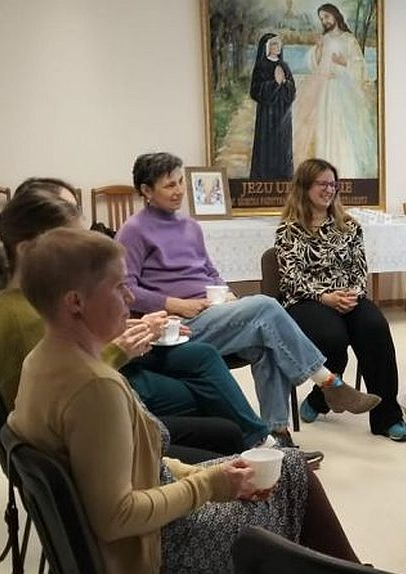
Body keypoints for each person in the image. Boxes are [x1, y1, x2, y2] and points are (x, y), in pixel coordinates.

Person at [7, 227, 362, 574]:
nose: (130, 298)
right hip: (156, 544)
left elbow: (140, 467)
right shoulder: (96, 387)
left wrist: (204, 475)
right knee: (296, 479)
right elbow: (117, 517)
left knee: (288, 467)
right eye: (118, 287)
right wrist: (208, 485)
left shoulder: (39, 361)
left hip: (152, 510)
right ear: (75, 302)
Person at [0, 178, 273, 462]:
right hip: (94, 431)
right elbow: (66, 389)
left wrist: (130, 330)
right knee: (207, 398)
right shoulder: (24, 317)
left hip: (99, 409)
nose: (82, 250)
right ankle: (254, 444)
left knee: (202, 361)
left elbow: (76, 349)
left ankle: (257, 441)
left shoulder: (36, 300)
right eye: (70, 240)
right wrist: (121, 348)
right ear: (27, 249)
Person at [116, 152, 380, 442]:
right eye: (169, 185)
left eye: (180, 182)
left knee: (267, 345)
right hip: (173, 327)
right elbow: (126, 290)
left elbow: (209, 272)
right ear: (146, 190)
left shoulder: (190, 226)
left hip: (209, 314)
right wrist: (176, 304)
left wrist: (227, 293)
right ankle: (328, 382)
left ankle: (277, 434)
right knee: (266, 307)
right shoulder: (133, 231)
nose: (179, 190)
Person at [275, 158, 406, 441]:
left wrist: (350, 295)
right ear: (304, 186)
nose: (329, 189)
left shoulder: (349, 226)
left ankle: (387, 417)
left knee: (374, 327)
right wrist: (324, 297)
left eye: (333, 184)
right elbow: (291, 278)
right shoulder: (288, 230)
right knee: (333, 337)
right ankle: (323, 397)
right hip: (307, 300)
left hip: (347, 296)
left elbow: (360, 270)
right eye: (322, 184)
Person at [292, 3, 377, 178]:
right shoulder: (325, 39)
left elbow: (360, 65)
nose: (324, 21)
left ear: (335, 15)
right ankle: (325, 170)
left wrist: (343, 62)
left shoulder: (348, 39)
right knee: (325, 126)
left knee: (342, 127)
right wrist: (318, 49)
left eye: (326, 17)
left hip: (343, 90)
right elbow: (316, 64)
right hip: (326, 89)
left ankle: (345, 169)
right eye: (322, 18)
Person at [249, 32, 296, 180]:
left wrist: (285, 83)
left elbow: (292, 91)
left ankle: (284, 177)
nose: (278, 47)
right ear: (267, 47)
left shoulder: (284, 66)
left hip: (283, 113)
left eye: (279, 44)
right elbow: (255, 91)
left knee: (283, 146)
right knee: (267, 146)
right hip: (267, 114)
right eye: (275, 44)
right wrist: (274, 83)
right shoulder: (261, 66)